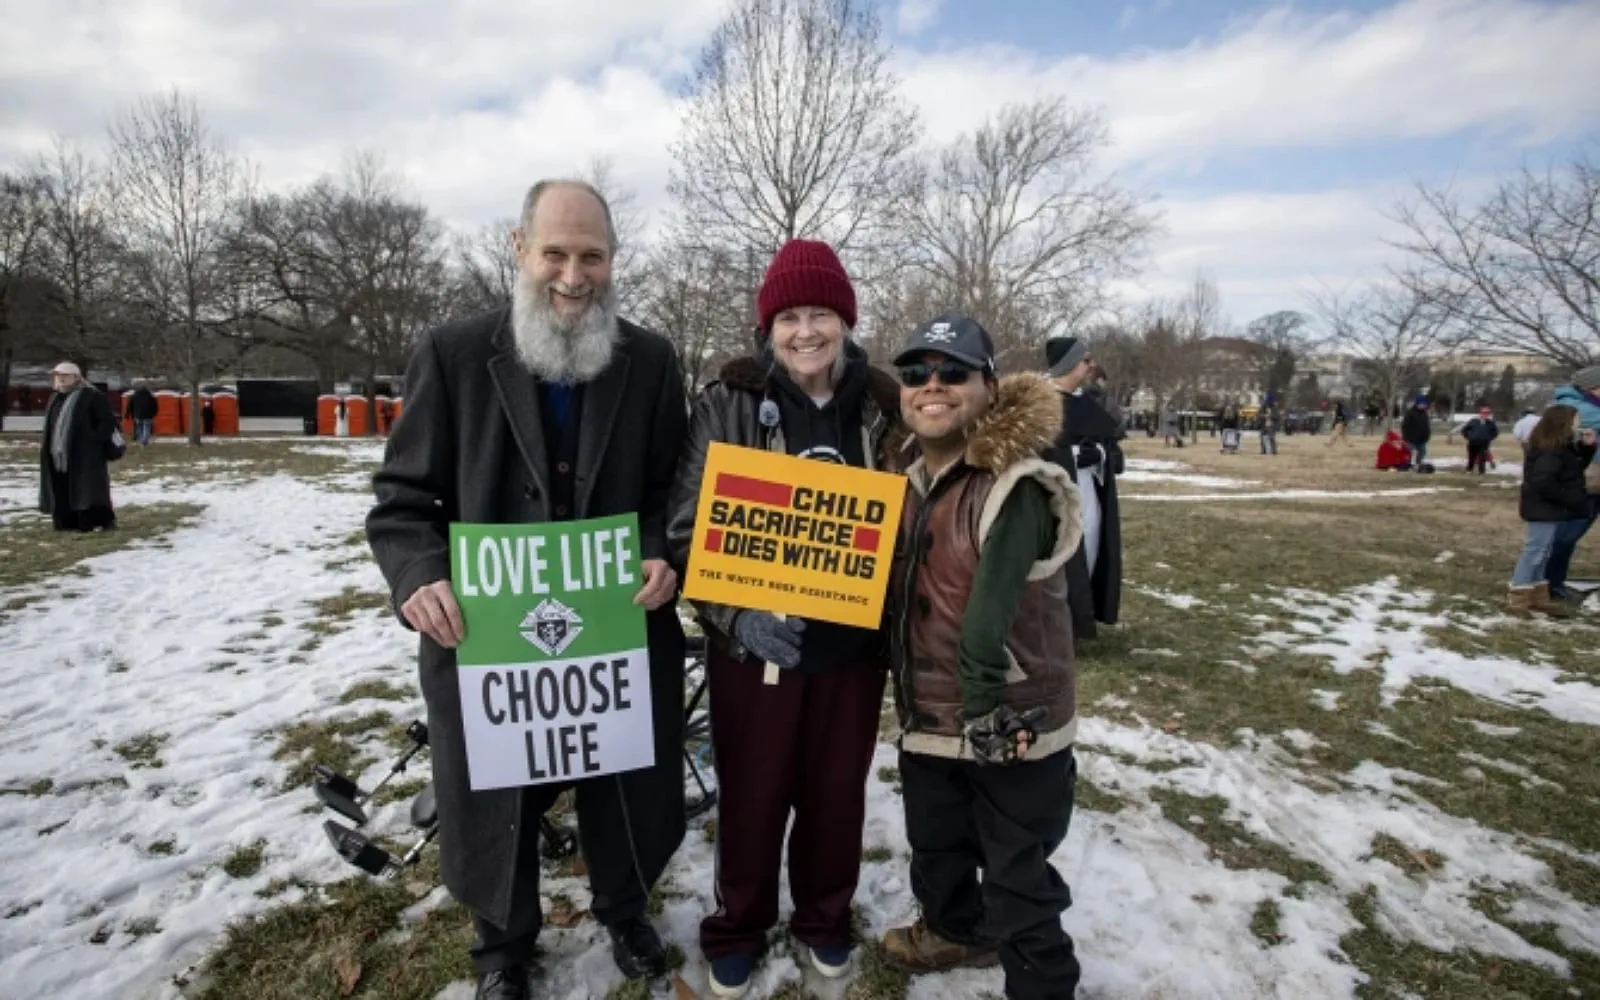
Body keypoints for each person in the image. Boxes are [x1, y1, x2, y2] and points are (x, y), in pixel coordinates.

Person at [365, 180, 689, 1000]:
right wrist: (418, 575)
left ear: (613, 261)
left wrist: (660, 553)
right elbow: (402, 504)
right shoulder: (453, 354)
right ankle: (502, 946)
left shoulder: (649, 361)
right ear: (519, 250)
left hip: (617, 621)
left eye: (592, 256)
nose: (573, 276)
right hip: (488, 633)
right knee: (492, 787)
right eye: (555, 253)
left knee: (625, 776)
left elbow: (666, 493)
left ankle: (624, 908)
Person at [665, 239, 900, 997]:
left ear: (845, 320)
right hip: (756, 651)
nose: (806, 331)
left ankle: (825, 919)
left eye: (821, 314)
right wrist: (736, 618)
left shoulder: (882, 403)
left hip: (853, 650)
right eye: (790, 316)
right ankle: (738, 923)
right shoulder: (728, 402)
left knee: (836, 794)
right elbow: (684, 529)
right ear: (769, 326)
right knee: (754, 794)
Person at [881, 314, 1083, 1000]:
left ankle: (1043, 984)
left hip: (1005, 720)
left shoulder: (1016, 483)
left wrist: (985, 711)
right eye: (915, 374)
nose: (931, 386)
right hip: (931, 715)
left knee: (1016, 874)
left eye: (952, 372)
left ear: (989, 386)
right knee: (936, 844)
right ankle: (953, 929)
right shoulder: (905, 481)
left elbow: (986, 621)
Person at [1044, 334, 1122, 646]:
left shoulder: (1086, 402)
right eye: (1085, 360)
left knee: (1089, 545)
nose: (1091, 366)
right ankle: (1055, 623)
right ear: (1070, 365)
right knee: (1061, 554)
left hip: (1090, 489)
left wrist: (1100, 456)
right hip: (1055, 496)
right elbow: (1040, 452)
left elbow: (1110, 446)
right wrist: (1074, 457)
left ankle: (1080, 619)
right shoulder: (1043, 405)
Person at [1508, 405, 1597, 617]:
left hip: (1551, 508)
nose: (1579, 423)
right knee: (1535, 552)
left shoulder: (1561, 447)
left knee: (1544, 552)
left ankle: (1538, 597)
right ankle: (1518, 599)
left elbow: (1573, 469)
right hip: (1543, 509)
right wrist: (1569, 498)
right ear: (1563, 422)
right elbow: (1543, 482)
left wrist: (1587, 447)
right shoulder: (1550, 451)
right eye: (1576, 419)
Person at [39, 361, 120, 532]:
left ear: (76, 377)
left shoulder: (92, 396)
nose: (60, 379)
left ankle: (97, 521)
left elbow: (107, 422)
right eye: (58, 376)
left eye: (65, 376)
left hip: (86, 454)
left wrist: (93, 439)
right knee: (62, 486)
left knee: (89, 489)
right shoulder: (56, 397)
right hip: (59, 453)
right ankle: (67, 521)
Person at [1545, 366, 1600, 601]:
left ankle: (1550, 580)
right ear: (1592, 388)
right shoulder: (1578, 409)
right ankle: (1550, 582)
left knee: (1569, 532)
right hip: (1587, 479)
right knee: (1569, 532)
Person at [1461, 405, 1499, 474]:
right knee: (1471, 457)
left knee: (1482, 458)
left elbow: (1495, 432)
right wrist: (1469, 437)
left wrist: (1489, 438)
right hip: (1473, 442)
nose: (1485, 414)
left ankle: (1481, 472)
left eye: (1487, 413)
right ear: (1480, 413)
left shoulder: (1490, 423)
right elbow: (1464, 430)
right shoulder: (1473, 421)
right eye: (1484, 413)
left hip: (1484, 443)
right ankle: (1469, 470)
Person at [1401, 396, 1432, 470]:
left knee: (1422, 452)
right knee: (1410, 453)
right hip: (1411, 438)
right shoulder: (1410, 413)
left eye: (1425, 404)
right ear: (1418, 404)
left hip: (1422, 439)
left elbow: (1426, 426)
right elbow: (1405, 426)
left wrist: (1427, 435)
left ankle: (1418, 465)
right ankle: (1407, 465)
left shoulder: (1424, 414)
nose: (1424, 405)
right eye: (1423, 404)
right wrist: (1406, 437)